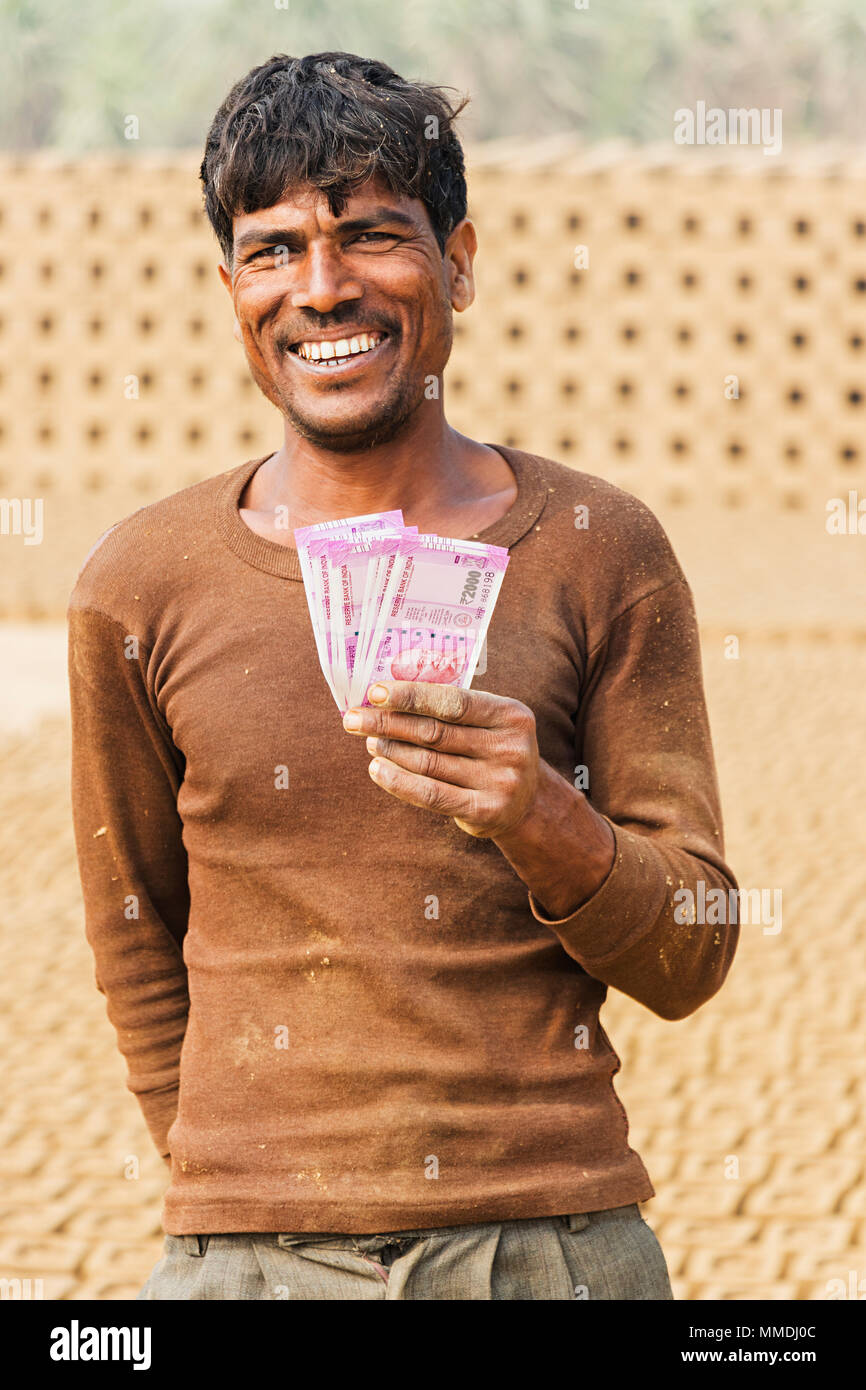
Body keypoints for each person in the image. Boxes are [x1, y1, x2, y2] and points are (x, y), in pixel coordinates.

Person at [67, 51, 739, 1301]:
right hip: (240, 1262)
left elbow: (693, 944)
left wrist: (542, 814)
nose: (321, 289)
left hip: (547, 1247)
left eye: (371, 235)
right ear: (230, 290)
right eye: (273, 250)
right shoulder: (138, 582)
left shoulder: (602, 548)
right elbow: (134, 932)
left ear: (459, 263)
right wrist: (233, 1198)